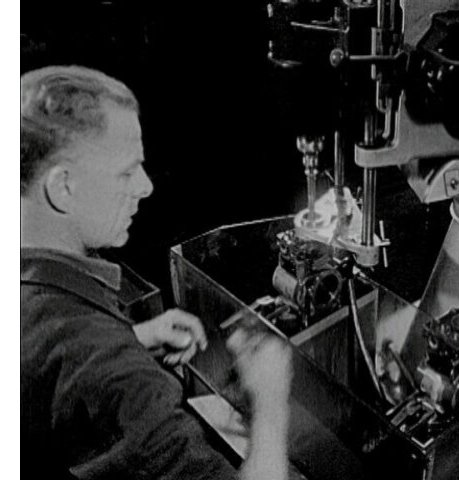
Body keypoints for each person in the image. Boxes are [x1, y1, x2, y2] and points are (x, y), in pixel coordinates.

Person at [21, 65, 292, 480]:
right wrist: (271, 402)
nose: (146, 187)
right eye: (126, 171)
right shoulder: (116, 375)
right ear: (63, 187)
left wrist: (131, 338)